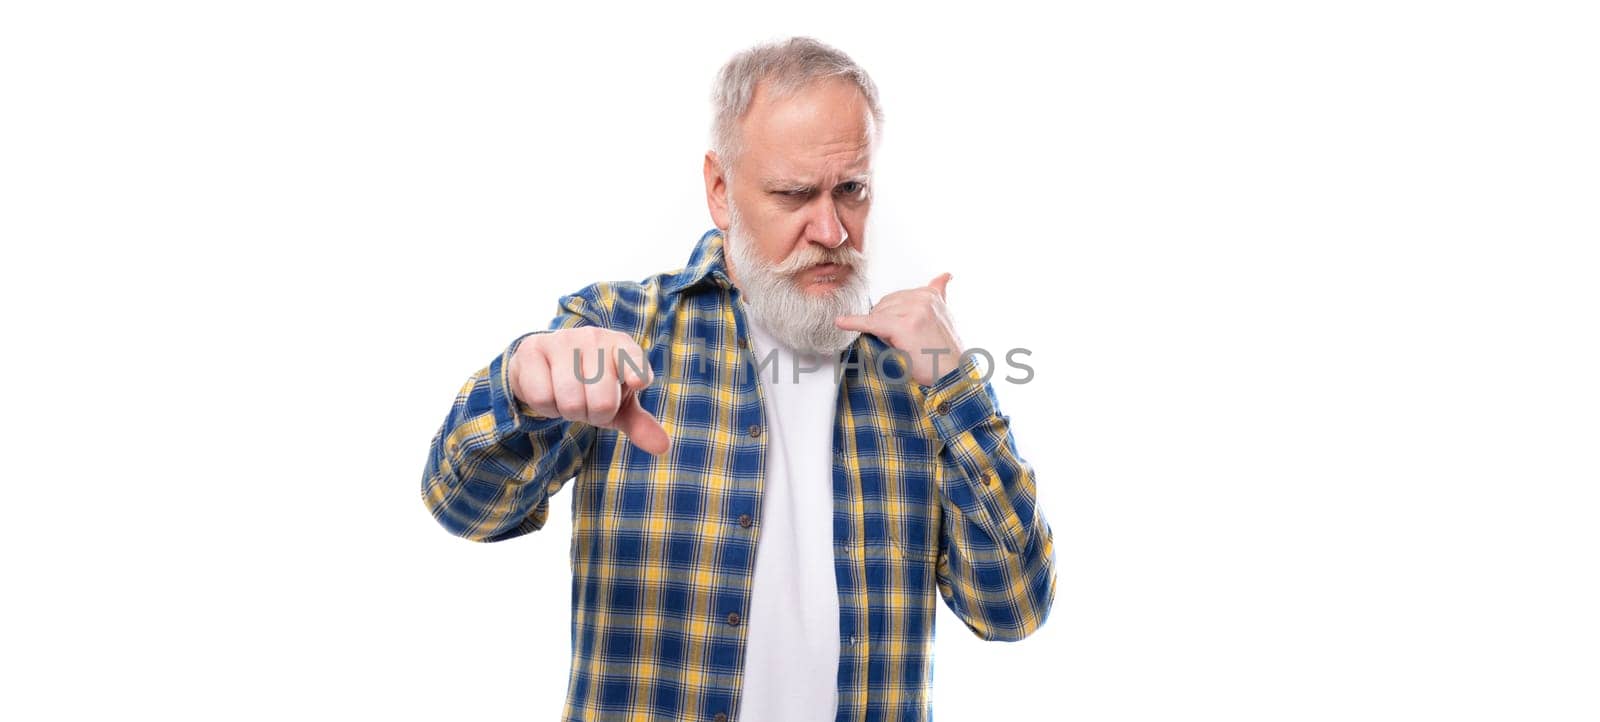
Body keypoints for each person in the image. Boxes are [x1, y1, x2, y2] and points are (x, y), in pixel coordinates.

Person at [420, 36, 1055, 722]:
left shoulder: (915, 377)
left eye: (852, 190)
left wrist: (954, 380)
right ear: (720, 191)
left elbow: (1012, 608)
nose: (832, 230)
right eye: (793, 194)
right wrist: (520, 384)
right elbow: (464, 507)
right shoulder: (618, 330)